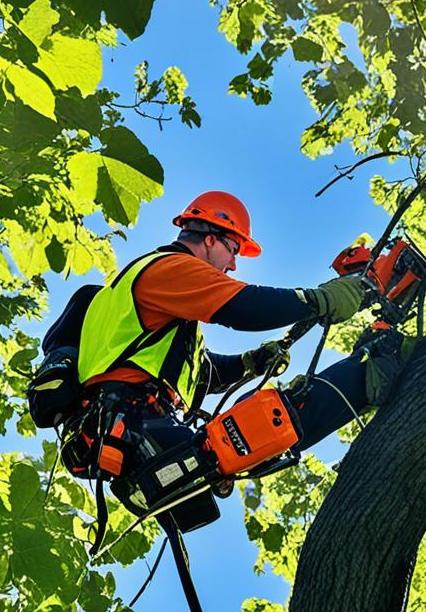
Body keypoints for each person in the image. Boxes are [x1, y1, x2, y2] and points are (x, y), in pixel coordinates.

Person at [70, 190, 406, 524]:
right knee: (270, 423)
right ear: (211, 238)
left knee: (253, 432)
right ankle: (373, 370)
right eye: (233, 251)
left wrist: (251, 361)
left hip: (133, 423)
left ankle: (370, 366)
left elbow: (200, 373)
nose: (232, 264)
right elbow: (244, 306)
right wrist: (319, 299)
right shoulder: (168, 268)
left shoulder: (153, 300)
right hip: (133, 421)